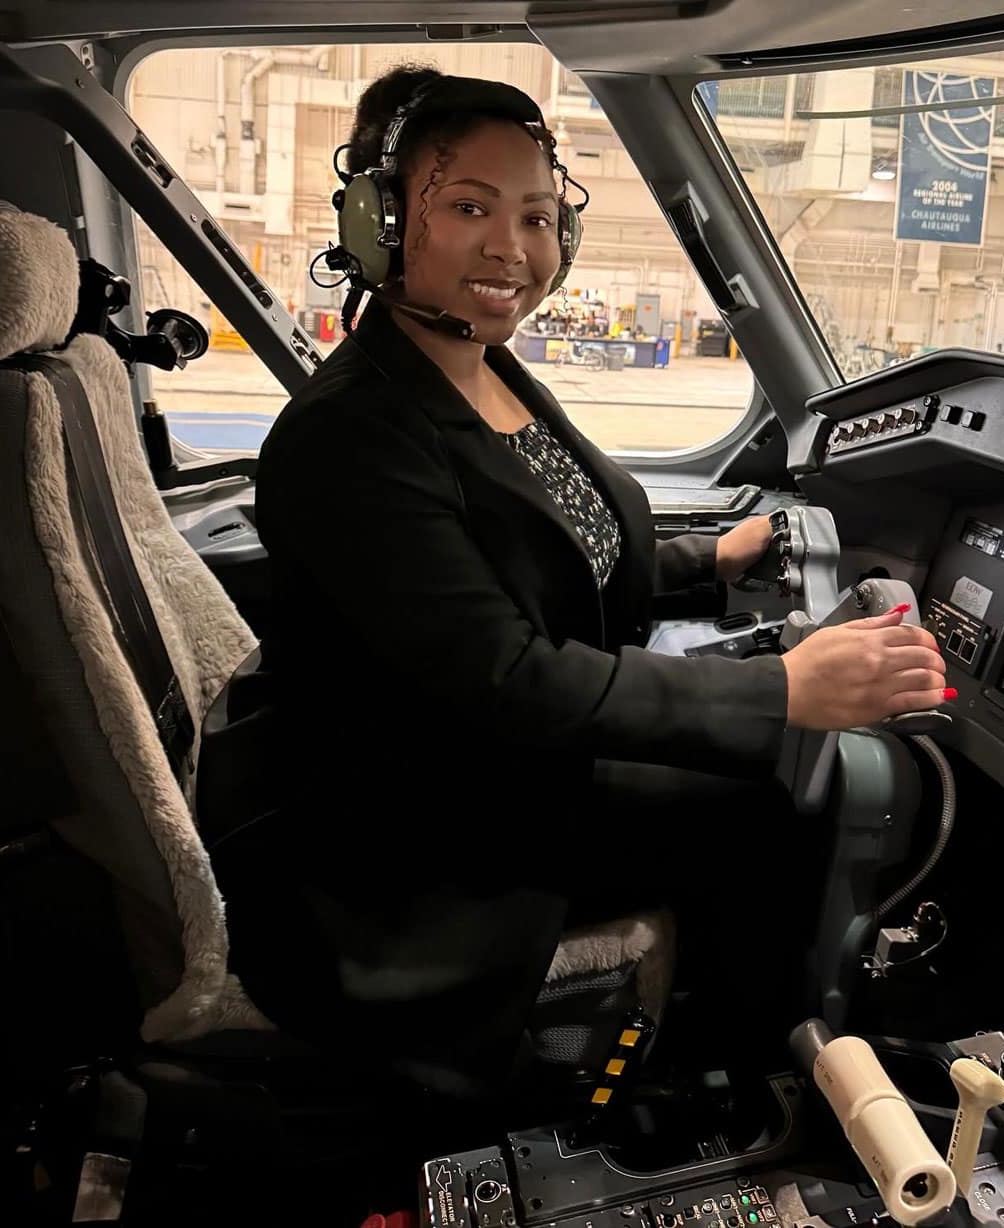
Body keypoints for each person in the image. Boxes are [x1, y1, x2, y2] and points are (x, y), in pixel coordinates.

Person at [209, 66, 948, 1111]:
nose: (513, 249)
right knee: (774, 809)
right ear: (380, 221)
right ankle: (743, 1091)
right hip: (418, 820)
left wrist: (711, 562)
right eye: (468, 206)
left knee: (764, 780)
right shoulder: (350, 438)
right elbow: (506, 677)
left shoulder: (479, 364)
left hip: (493, 761)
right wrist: (784, 687)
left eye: (539, 216)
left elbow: (548, 551)